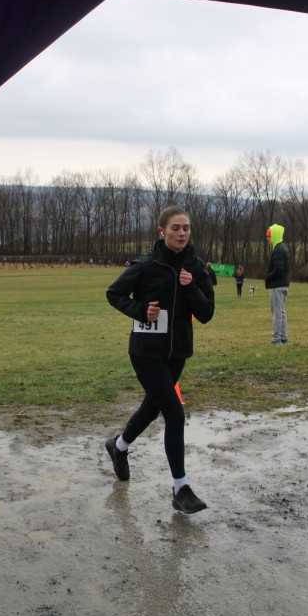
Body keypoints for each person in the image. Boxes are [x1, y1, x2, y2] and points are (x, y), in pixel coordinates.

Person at [104, 206, 215, 514]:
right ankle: (181, 488)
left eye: (186, 228)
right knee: (175, 414)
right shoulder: (146, 265)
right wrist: (141, 311)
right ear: (162, 231)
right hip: (146, 352)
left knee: (152, 409)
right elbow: (114, 294)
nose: (182, 233)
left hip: (177, 353)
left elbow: (206, 314)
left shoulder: (197, 268)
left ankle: (119, 446)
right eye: (176, 228)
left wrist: (190, 287)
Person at [264, 224, 290, 344]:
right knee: (282, 311)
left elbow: (278, 269)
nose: (267, 239)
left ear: (274, 236)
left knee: (277, 312)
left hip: (277, 286)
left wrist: (268, 277)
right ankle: (284, 337)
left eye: (269, 236)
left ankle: (276, 338)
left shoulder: (278, 250)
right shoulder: (284, 248)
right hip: (284, 284)